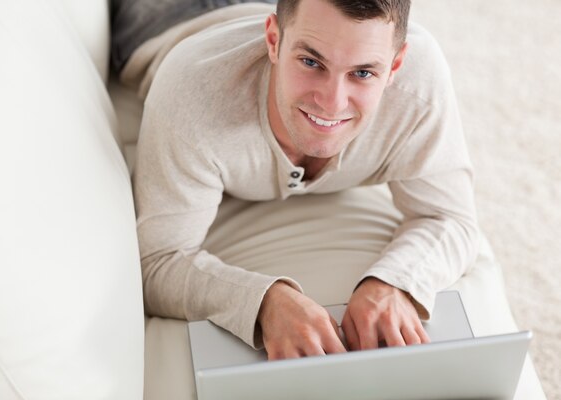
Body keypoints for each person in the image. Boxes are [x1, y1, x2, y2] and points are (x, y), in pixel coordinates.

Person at [123, 0, 479, 360]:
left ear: (396, 65)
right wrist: (264, 303)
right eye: (311, 62)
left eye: (362, 73)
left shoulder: (418, 84)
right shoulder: (192, 95)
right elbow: (158, 260)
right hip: (172, 14)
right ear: (273, 40)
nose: (331, 102)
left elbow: (451, 218)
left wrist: (395, 282)